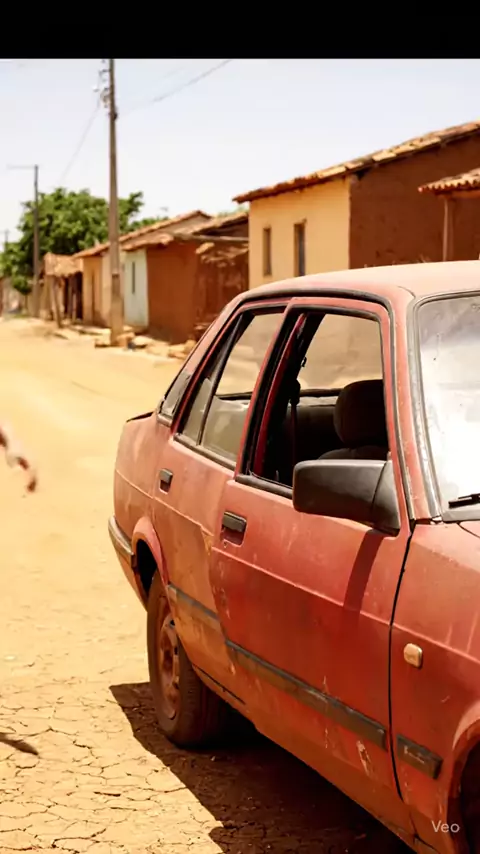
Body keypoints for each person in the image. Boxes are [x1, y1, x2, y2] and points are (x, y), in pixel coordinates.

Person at [0, 422, 37, 492]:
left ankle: (32, 477)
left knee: (15, 457)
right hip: (9, 442)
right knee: (15, 458)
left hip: (9, 444)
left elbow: (3, 438)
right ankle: (31, 476)